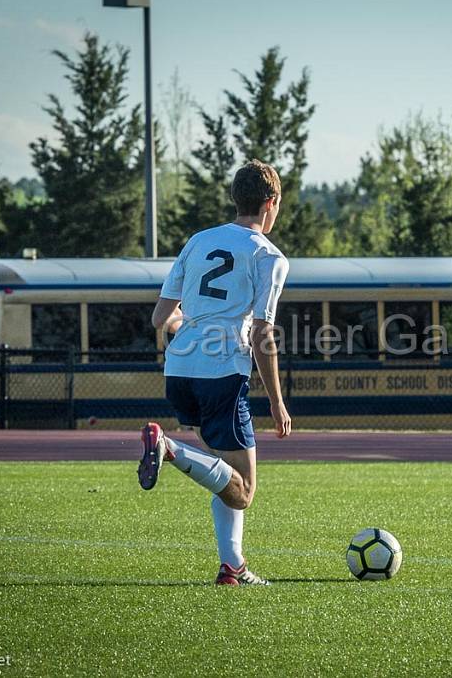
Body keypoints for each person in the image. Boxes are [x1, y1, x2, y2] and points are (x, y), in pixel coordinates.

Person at [137, 159, 292, 586]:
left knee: (226, 476)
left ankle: (233, 568)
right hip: (222, 374)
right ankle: (168, 449)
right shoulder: (268, 256)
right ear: (270, 203)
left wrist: (193, 328)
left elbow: (159, 318)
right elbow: (262, 332)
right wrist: (277, 403)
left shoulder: (199, 241)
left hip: (180, 368)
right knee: (243, 490)